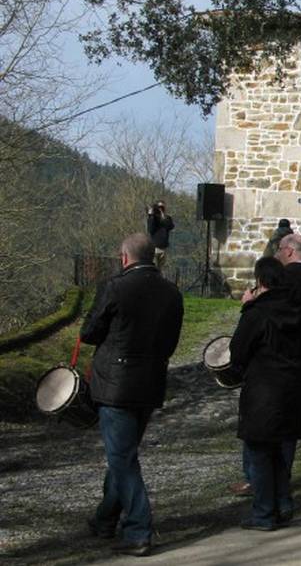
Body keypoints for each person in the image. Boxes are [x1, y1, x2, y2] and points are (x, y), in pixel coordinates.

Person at [79, 233, 184, 557]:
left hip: (116, 384)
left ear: (125, 258)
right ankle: (105, 519)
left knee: (122, 458)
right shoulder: (171, 293)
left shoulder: (115, 288)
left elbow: (90, 332)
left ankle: (138, 528)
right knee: (122, 454)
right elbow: (171, 341)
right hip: (150, 381)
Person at [229, 233, 301, 498]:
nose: (279, 252)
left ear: (291, 251)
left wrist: (250, 305)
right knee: (286, 440)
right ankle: (281, 496)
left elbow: (239, 351)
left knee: (258, 441)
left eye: (281, 248)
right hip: (294, 374)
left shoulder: (267, 304)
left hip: (263, 379)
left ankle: (260, 497)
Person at [145, 201, 174, 269]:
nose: (160, 209)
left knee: (160, 269)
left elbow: (170, 226)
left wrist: (163, 216)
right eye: (159, 207)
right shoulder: (153, 218)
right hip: (155, 248)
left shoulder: (167, 218)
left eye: (162, 207)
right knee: (153, 268)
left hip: (163, 248)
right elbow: (150, 229)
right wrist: (151, 216)